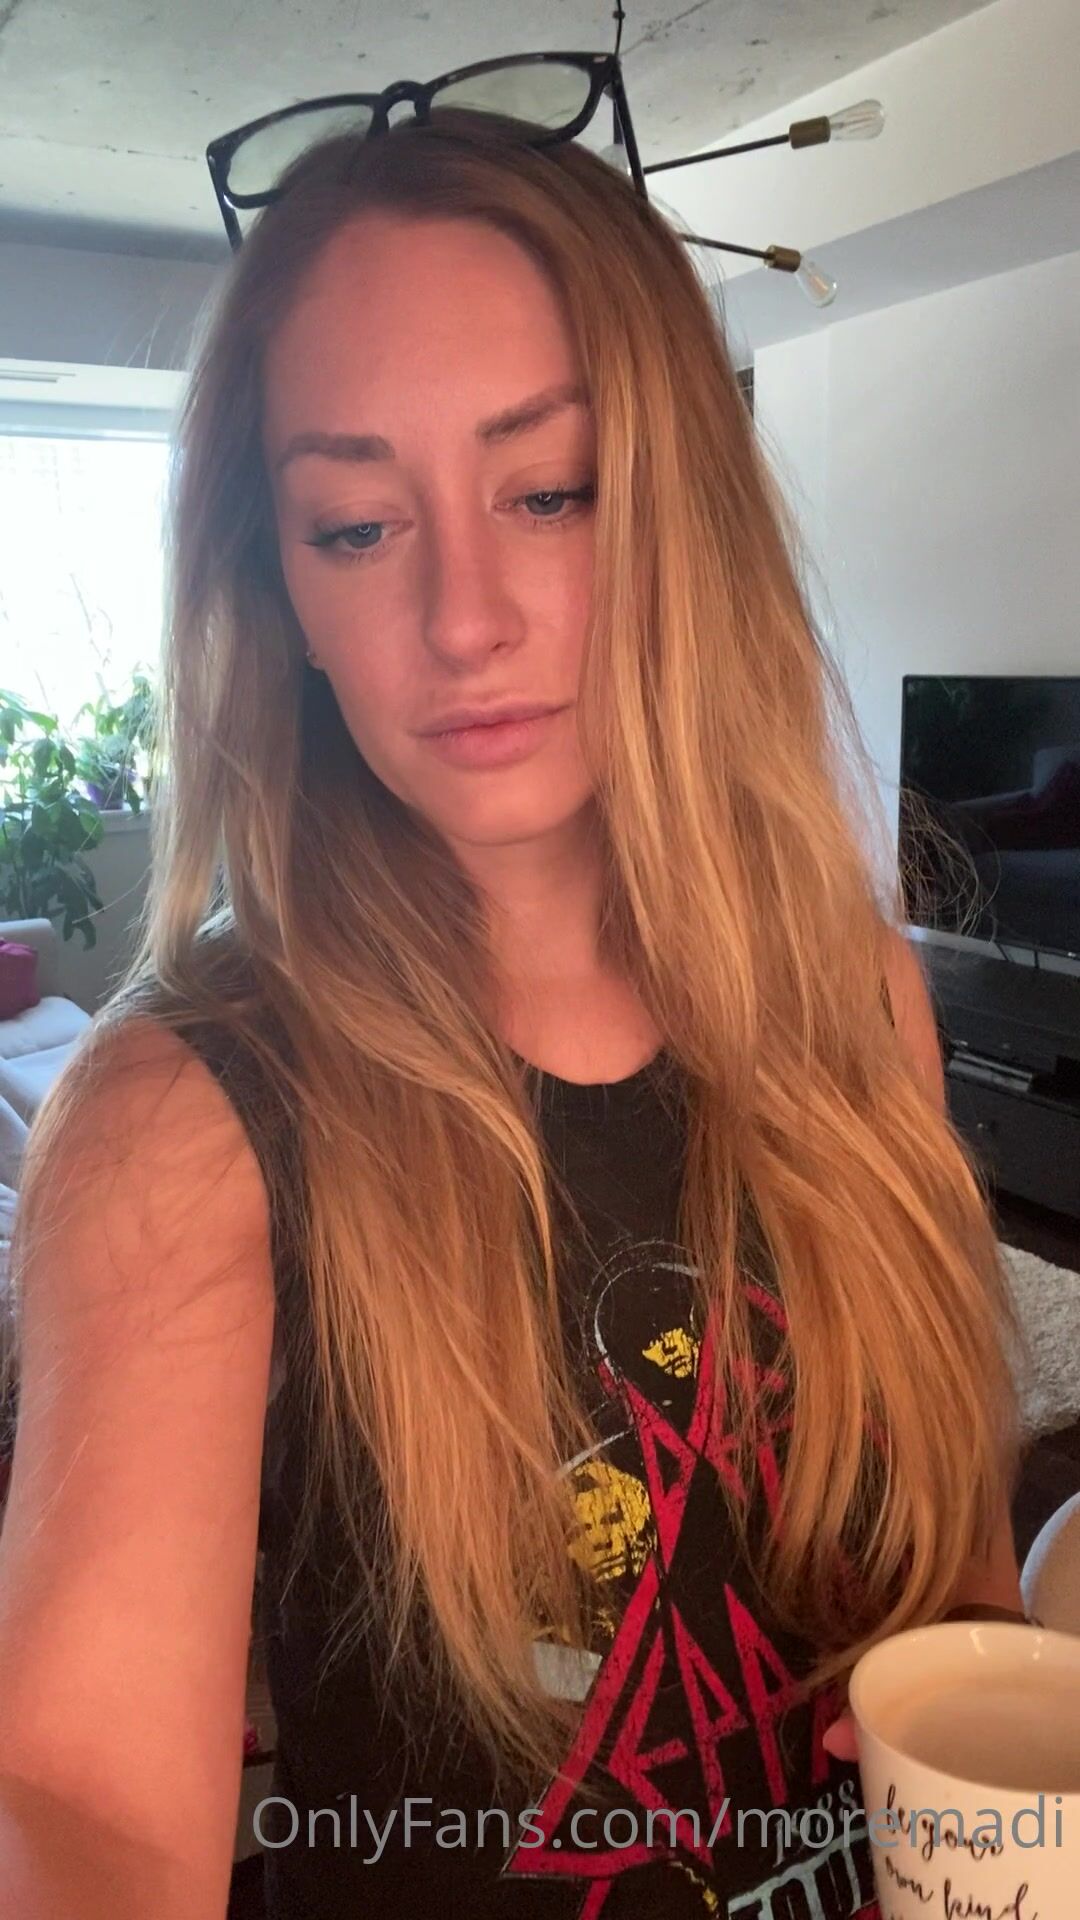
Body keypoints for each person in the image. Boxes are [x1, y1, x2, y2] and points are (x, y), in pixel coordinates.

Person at [0, 106, 1024, 1920]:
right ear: (280, 594)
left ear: (682, 515)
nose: (462, 619)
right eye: (355, 525)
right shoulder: (180, 1117)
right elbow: (82, 1811)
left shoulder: (859, 996)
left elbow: (957, 1597)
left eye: (549, 492)